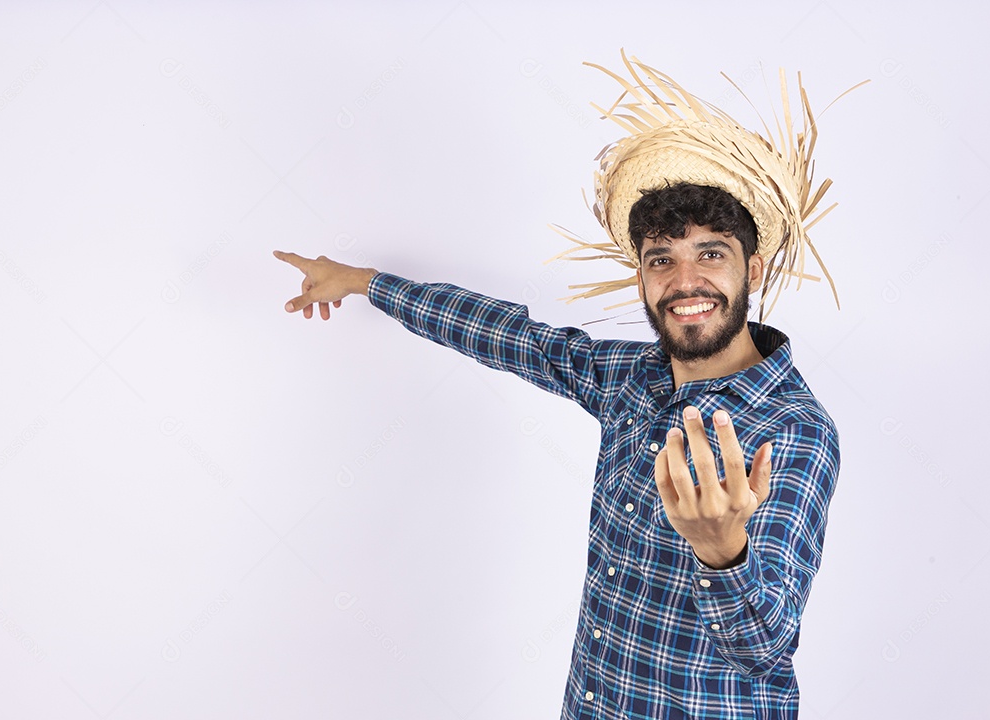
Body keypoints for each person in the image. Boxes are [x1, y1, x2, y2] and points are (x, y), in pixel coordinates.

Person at [274, 54, 851, 720]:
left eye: (711, 254)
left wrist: (723, 552)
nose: (685, 280)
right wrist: (365, 282)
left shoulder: (794, 429)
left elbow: (767, 647)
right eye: (662, 259)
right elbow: (511, 337)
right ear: (642, 277)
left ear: (752, 266)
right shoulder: (632, 379)